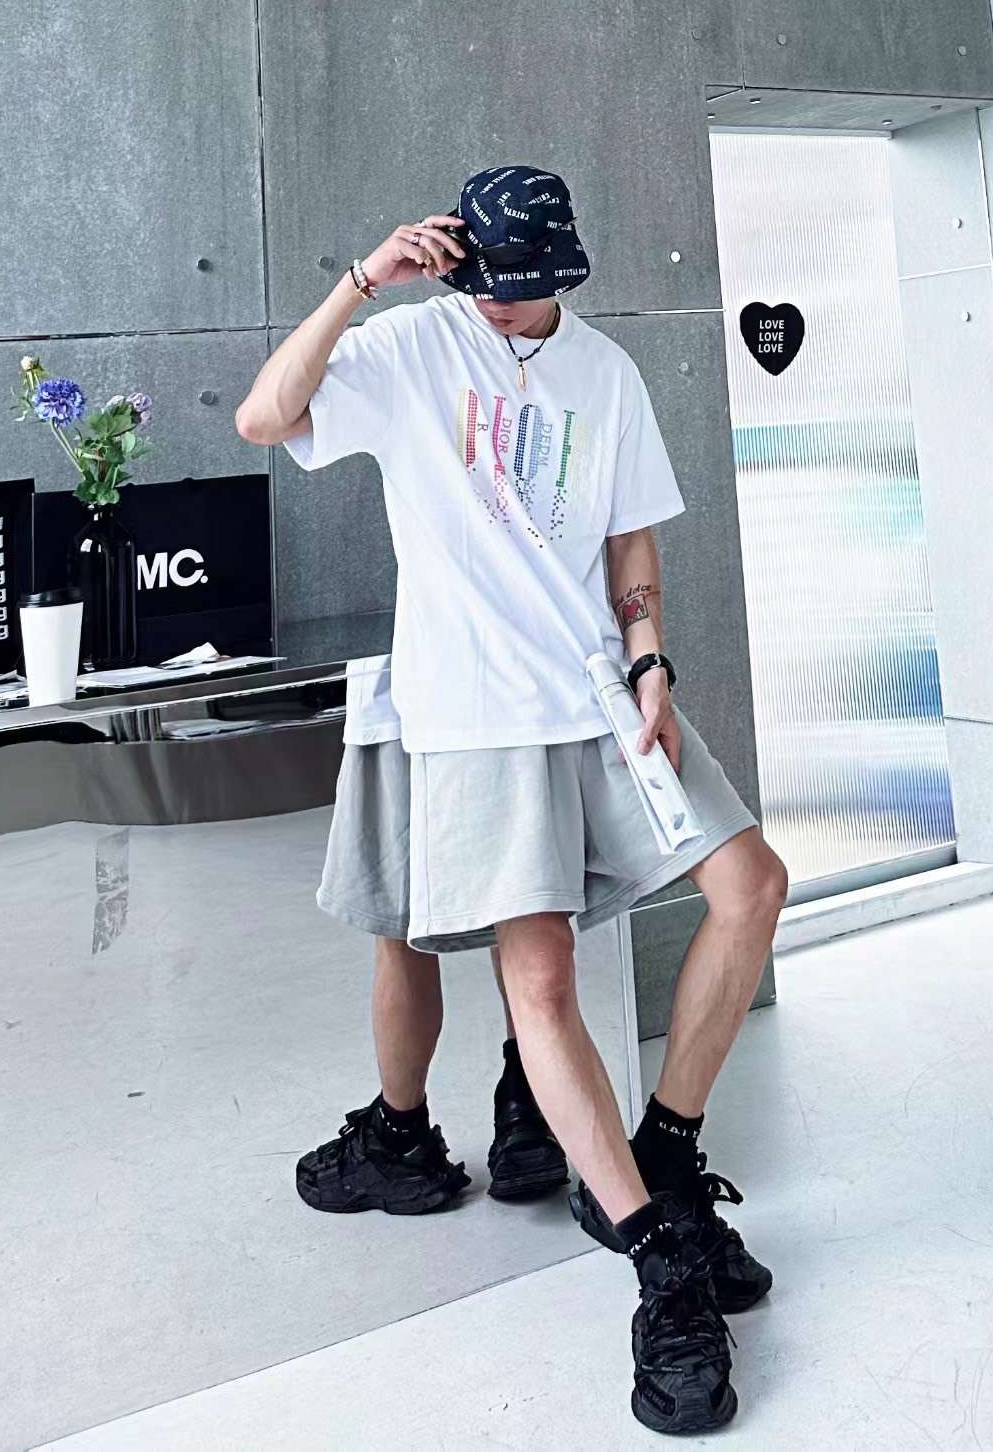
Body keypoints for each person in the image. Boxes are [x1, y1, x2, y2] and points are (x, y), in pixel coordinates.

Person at [237, 165, 789, 1435]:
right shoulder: (409, 343)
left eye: (527, 289)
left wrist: (649, 656)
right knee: (536, 980)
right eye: (489, 285)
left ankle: (660, 1153)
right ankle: (659, 1265)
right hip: (475, 709)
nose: (504, 306)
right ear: (456, 263)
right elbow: (266, 417)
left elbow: (630, 536)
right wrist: (362, 280)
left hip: (597, 691)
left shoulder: (606, 370)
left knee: (750, 884)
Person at [301, 652, 570, 1209]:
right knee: (518, 898)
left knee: (399, 914)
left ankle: (399, 1139)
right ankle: (528, 1105)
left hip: (401, 683)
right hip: (505, 680)